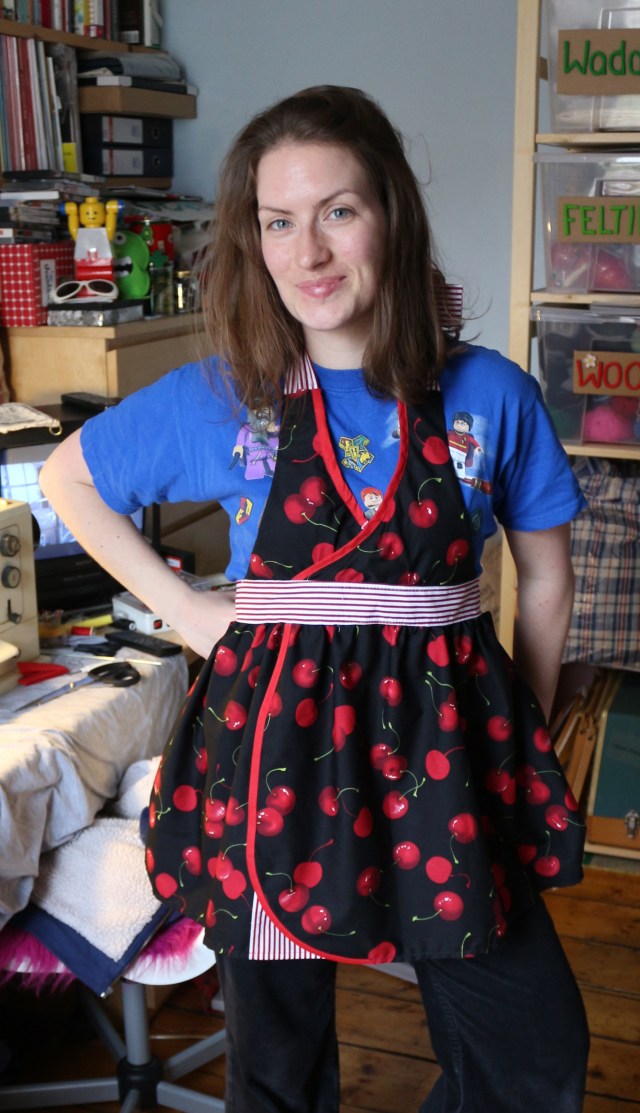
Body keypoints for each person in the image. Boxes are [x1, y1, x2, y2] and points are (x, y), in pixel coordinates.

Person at [40, 85, 590, 1113]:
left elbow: (547, 577)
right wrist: (192, 615)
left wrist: (523, 730)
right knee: (278, 1063)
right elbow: (69, 477)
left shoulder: (491, 393)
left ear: (392, 214)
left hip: (449, 759)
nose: (310, 251)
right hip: (272, 767)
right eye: (278, 221)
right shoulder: (228, 395)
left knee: (528, 1049)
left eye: (338, 210)